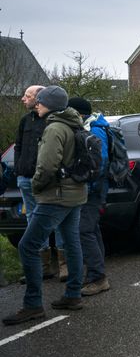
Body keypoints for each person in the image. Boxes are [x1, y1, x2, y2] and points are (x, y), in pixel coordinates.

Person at [3, 86, 86, 325]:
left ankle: (33, 305)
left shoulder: (54, 128)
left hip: (56, 197)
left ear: (50, 104)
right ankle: (73, 295)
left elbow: (47, 166)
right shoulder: (74, 123)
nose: (36, 104)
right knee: (71, 243)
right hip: (75, 194)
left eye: (40, 101)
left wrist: (37, 187)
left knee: (28, 246)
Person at [67, 97, 111, 296]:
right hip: (94, 189)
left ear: (79, 113)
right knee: (92, 230)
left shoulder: (94, 130)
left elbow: (98, 164)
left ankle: (97, 277)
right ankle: (97, 272)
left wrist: (84, 182)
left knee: (84, 230)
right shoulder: (95, 126)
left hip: (92, 190)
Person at [12, 85, 57, 279]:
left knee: (54, 218)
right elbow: (18, 146)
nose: (23, 99)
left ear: (39, 98)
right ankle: (42, 267)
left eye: (27, 96)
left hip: (46, 180)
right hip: (25, 178)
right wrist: (19, 170)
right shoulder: (25, 120)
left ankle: (64, 266)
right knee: (32, 218)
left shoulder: (51, 121)